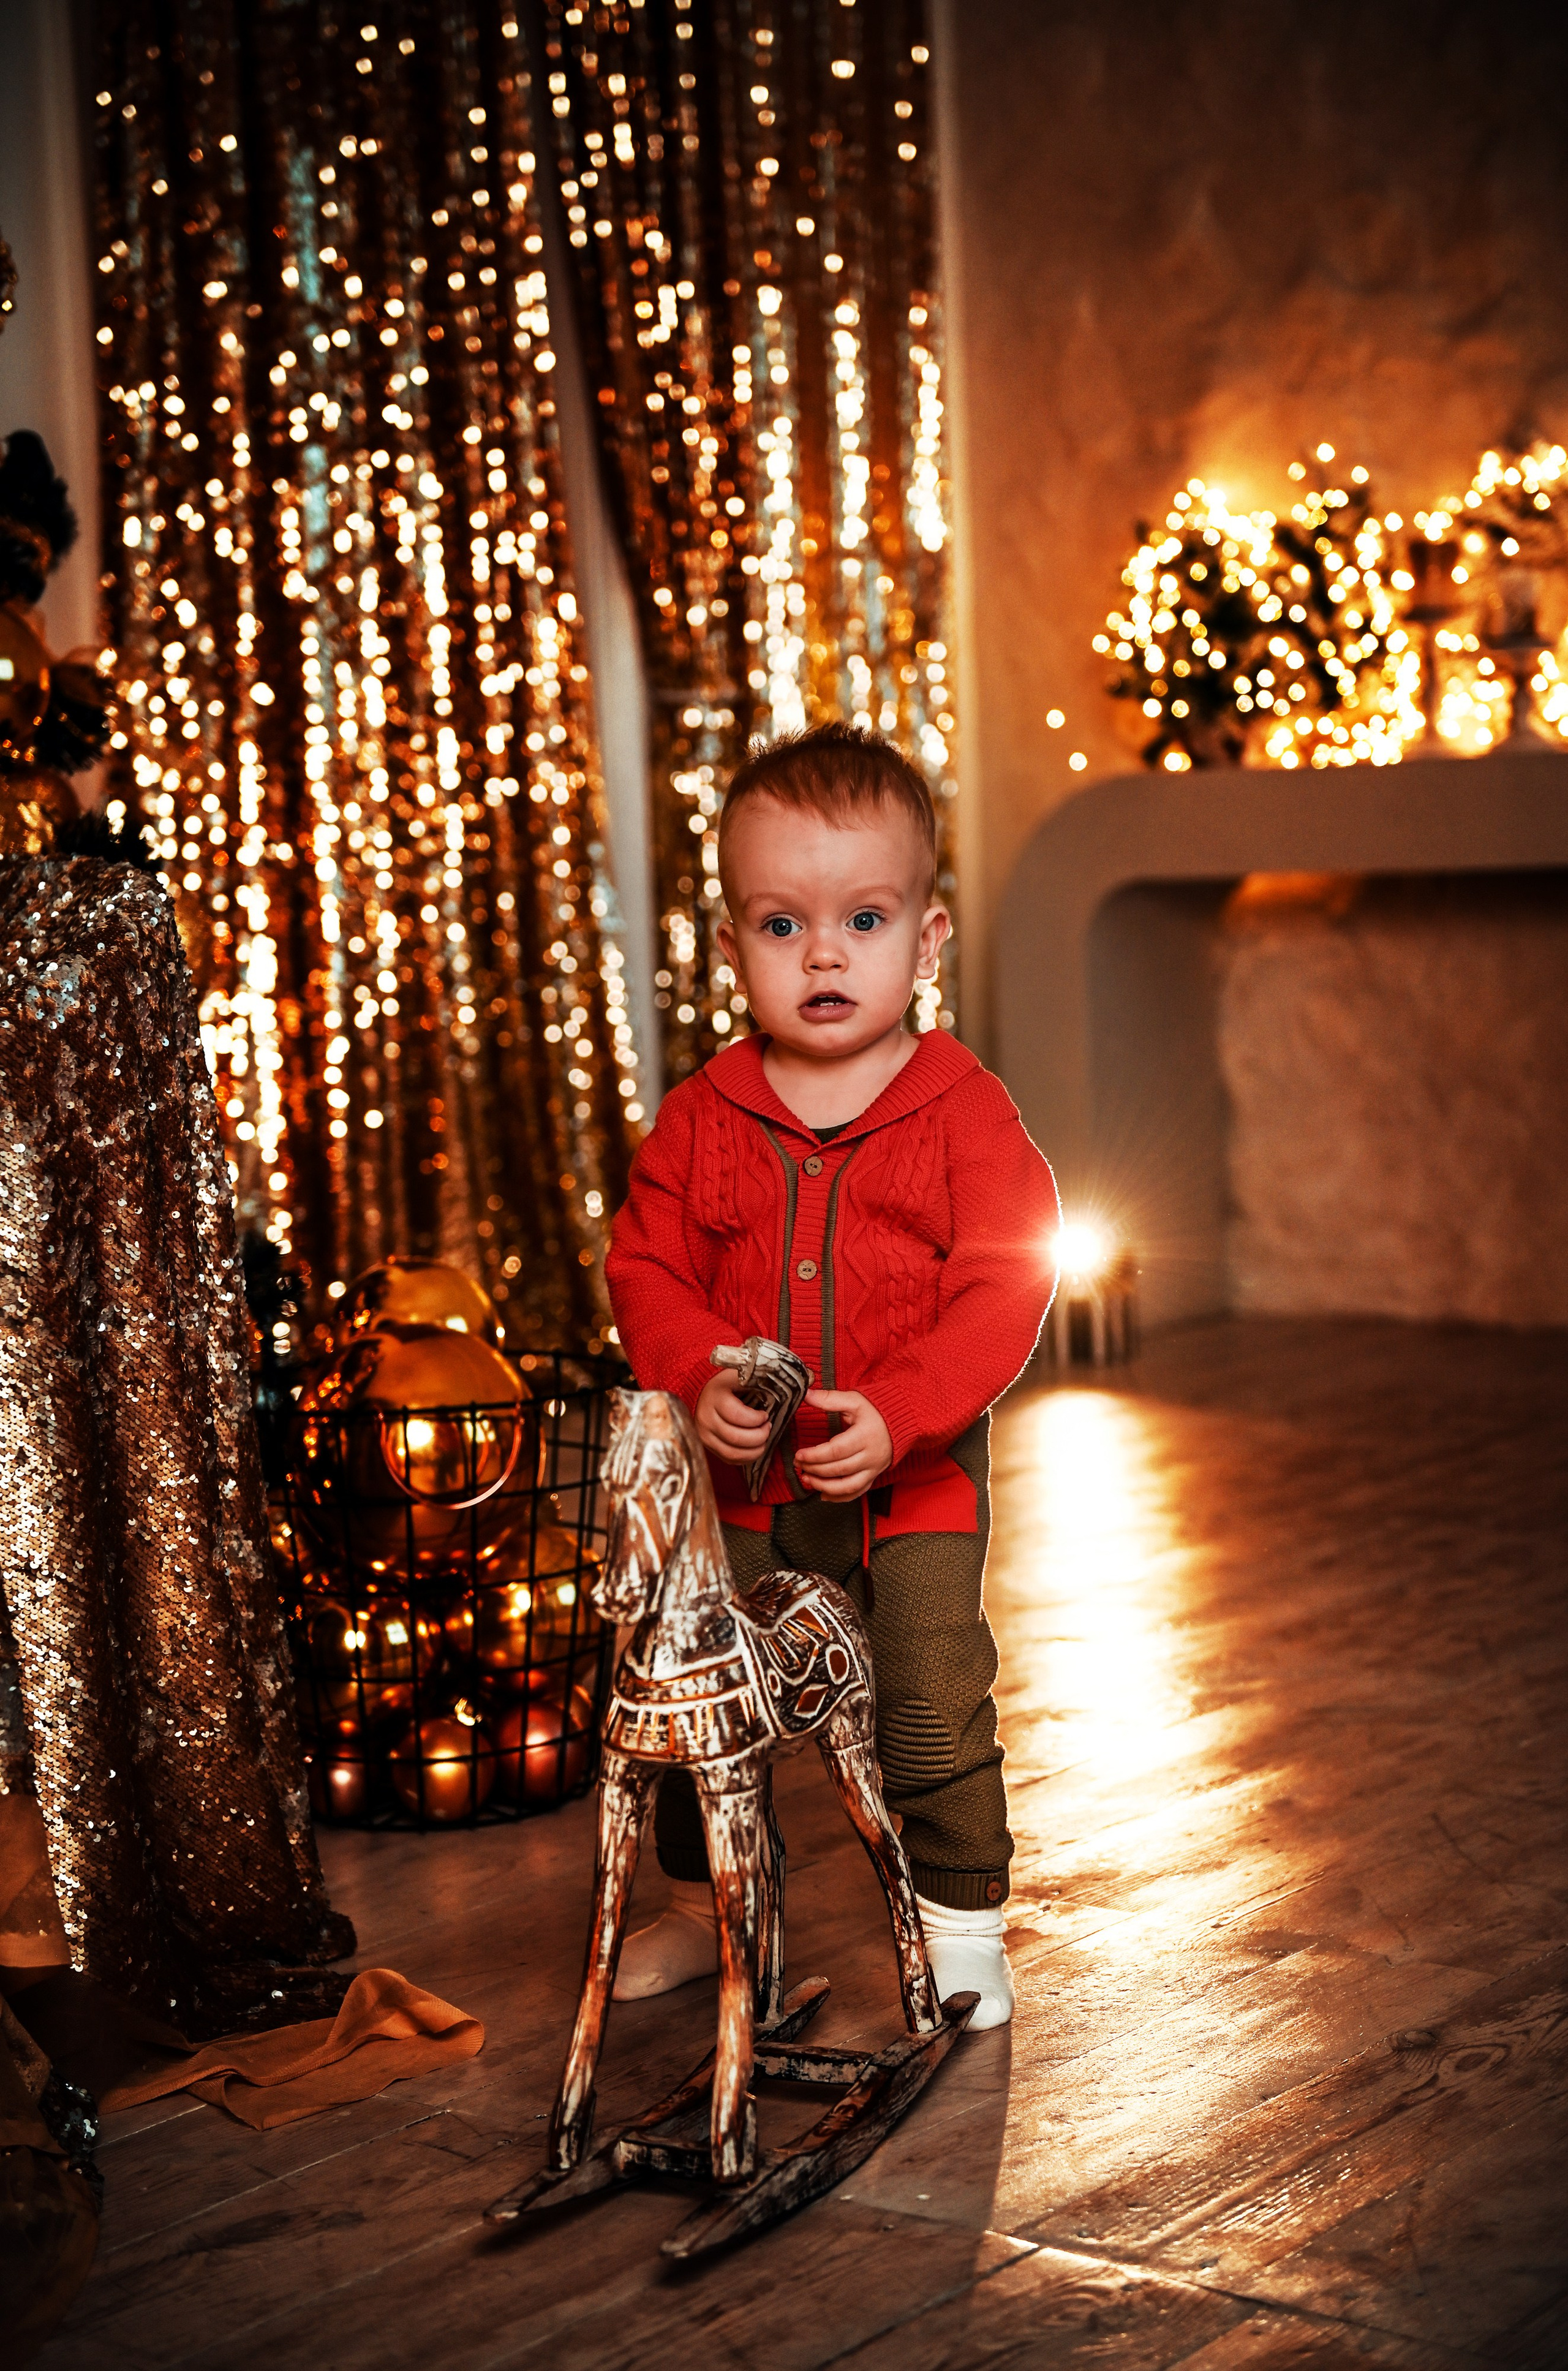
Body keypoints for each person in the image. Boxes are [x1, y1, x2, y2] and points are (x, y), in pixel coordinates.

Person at [603, 722, 1059, 2028]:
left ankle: (959, 1919)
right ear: (732, 941)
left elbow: (1003, 1284)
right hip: (747, 1490)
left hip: (909, 1485)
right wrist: (695, 1374)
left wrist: (907, 1411)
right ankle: (704, 1906)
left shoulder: (965, 1114)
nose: (820, 955)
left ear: (925, 941)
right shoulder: (702, 1118)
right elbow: (647, 1271)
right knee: (696, 1691)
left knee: (926, 1687)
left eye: (861, 919)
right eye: (778, 924)